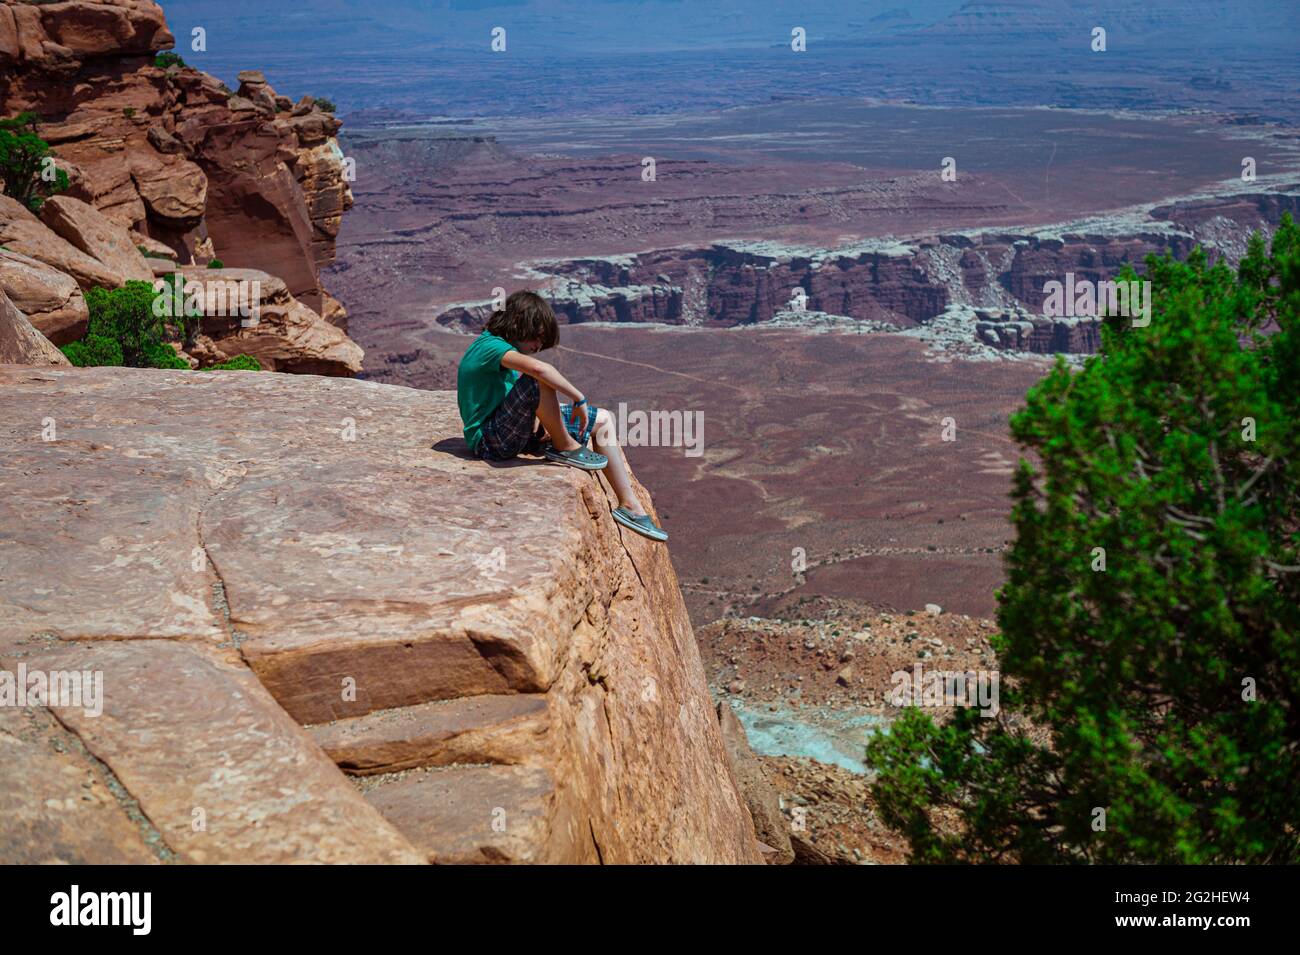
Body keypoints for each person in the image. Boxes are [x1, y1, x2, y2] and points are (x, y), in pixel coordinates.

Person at [456, 290, 668, 542]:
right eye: (536, 338)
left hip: (512, 432)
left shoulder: (503, 349)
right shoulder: (490, 346)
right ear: (518, 324)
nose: (537, 347)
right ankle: (564, 446)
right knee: (537, 381)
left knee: (603, 420)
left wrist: (541, 423)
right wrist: (578, 398)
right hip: (490, 442)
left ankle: (629, 506)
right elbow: (539, 370)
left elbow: (511, 398)